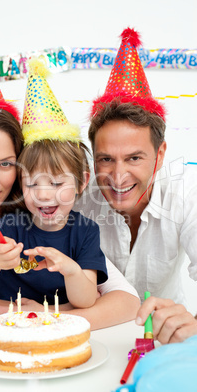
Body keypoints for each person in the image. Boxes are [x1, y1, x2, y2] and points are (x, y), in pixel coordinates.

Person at [0, 40, 140, 330]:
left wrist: (46, 315)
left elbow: (124, 301)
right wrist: (50, 314)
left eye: (5, 163)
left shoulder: (49, 211)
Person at [73, 28, 197, 341]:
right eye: (105, 159)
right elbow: (11, 204)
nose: (118, 176)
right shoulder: (73, 199)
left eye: (134, 158)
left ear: (159, 155)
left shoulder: (185, 196)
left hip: (165, 339)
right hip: (94, 335)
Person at [0, 58, 108, 309]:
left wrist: (72, 271)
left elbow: (86, 301)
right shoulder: (9, 226)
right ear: (21, 185)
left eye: (55, 183)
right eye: (32, 185)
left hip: (61, 331)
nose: (43, 195)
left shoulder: (86, 232)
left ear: (82, 182)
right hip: (11, 329)